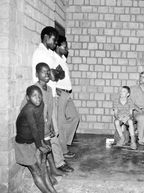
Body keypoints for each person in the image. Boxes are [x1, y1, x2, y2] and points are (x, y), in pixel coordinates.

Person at [32, 26, 73, 172]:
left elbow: (58, 74)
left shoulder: (48, 53)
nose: (55, 43)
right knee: (51, 130)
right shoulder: (40, 53)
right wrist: (55, 73)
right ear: (45, 37)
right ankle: (58, 163)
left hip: (51, 92)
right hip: (44, 95)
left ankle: (57, 163)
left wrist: (56, 73)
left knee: (53, 129)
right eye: (53, 39)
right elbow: (54, 75)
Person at [15, 85, 57, 193]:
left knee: (43, 168)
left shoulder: (41, 104)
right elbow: (33, 128)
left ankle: (53, 191)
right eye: (34, 96)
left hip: (33, 141)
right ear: (28, 98)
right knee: (36, 172)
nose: (38, 98)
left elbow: (41, 123)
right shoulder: (28, 109)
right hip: (23, 145)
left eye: (40, 96)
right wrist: (40, 146)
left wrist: (42, 141)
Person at [34, 62, 67, 178]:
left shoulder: (48, 89)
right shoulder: (35, 89)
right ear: (37, 74)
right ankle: (47, 174)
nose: (47, 74)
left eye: (48, 72)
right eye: (43, 72)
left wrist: (52, 124)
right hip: (38, 126)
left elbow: (50, 109)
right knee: (44, 150)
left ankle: (53, 169)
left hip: (46, 125)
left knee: (48, 148)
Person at [54, 35, 79, 157]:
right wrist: (56, 90)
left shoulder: (62, 59)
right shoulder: (54, 59)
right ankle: (63, 151)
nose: (67, 49)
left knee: (74, 117)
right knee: (61, 123)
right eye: (65, 46)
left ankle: (64, 142)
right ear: (58, 46)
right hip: (60, 94)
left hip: (67, 93)